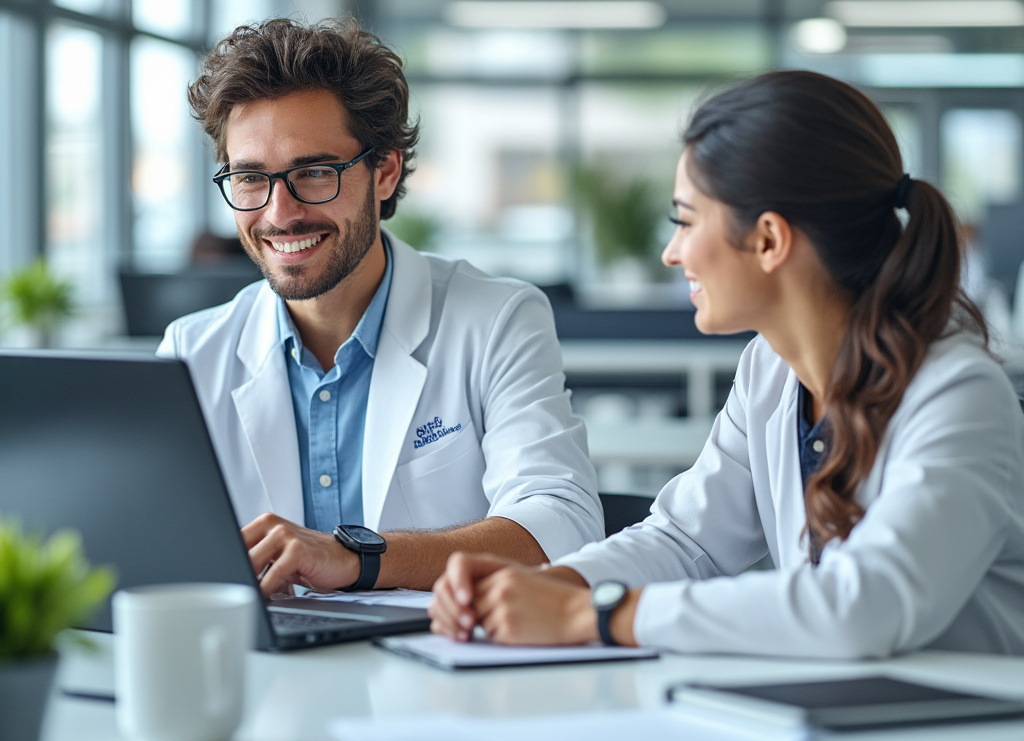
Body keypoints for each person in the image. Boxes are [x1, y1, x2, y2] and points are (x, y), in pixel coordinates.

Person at [430, 70, 1024, 659]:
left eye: (686, 221)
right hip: (844, 725)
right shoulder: (770, 369)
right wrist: (552, 584)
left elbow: (863, 607)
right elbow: (687, 541)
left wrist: (595, 614)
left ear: (768, 240)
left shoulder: (959, 394)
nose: (671, 252)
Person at [157, 17, 602, 597]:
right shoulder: (190, 352)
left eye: (314, 172)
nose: (279, 213)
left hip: (443, 674)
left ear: (384, 171)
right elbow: (153, 548)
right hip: (263, 676)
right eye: (249, 179)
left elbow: (562, 525)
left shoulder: (496, 320)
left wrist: (356, 558)